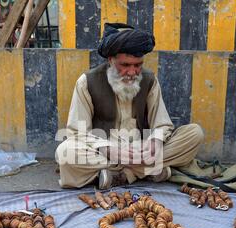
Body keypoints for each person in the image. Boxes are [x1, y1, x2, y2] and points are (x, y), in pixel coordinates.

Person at [55, 23, 204, 189]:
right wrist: (109, 149)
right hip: (104, 151)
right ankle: (147, 171)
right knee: (64, 152)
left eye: (138, 65)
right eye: (125, 65)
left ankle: (123, 175)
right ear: (110, 60)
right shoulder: (87, 82)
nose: (133, 72)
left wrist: (155, 142)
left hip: (140, 150)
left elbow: (162, 124)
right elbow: (76, 132)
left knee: (194, 134)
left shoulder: (149, 80)